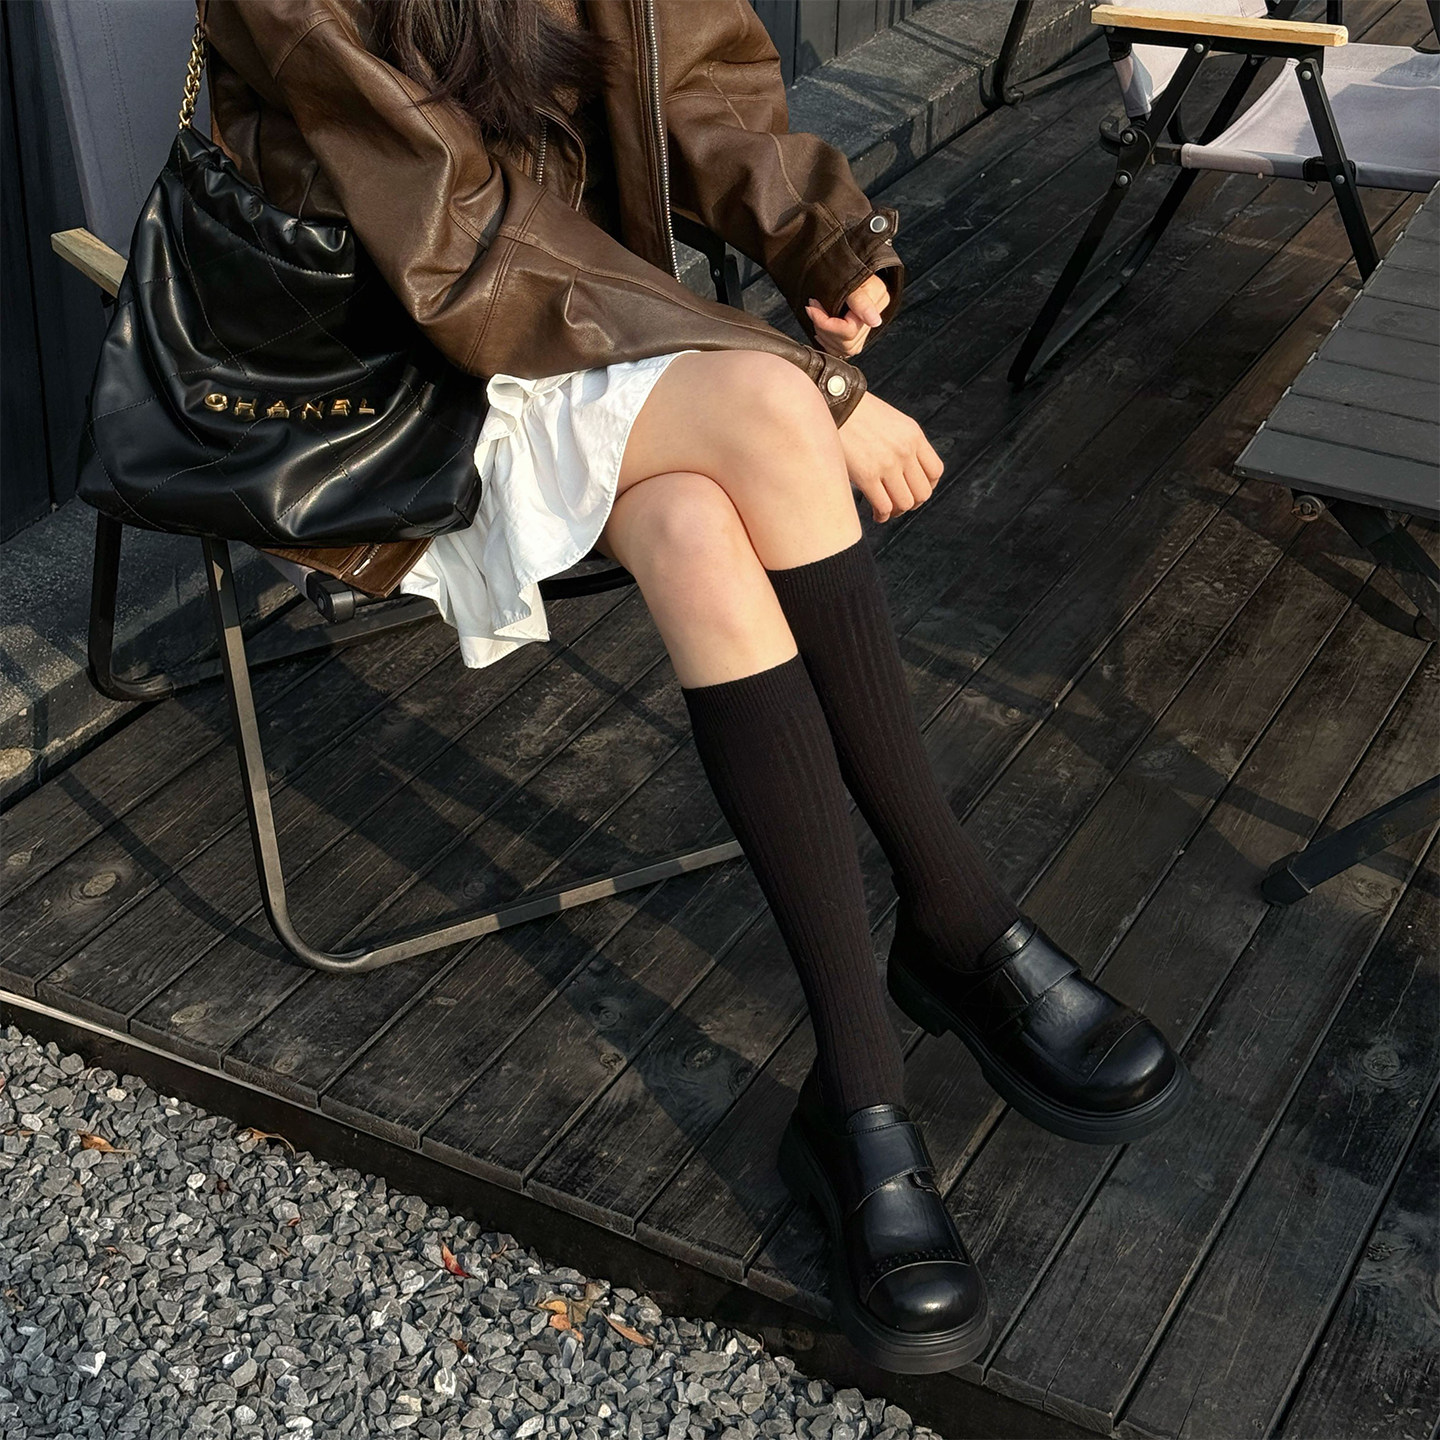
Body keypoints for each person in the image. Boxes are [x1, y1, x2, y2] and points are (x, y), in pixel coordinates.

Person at [203, 0, 1190, 1374]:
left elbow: (696, 64)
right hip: (393, 369)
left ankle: (858, 1092)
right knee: (777, 407)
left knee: (691, 525)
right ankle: (958, 921)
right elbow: (449, 228)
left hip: (580, 321)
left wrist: (820, 237)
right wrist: (819, 382)